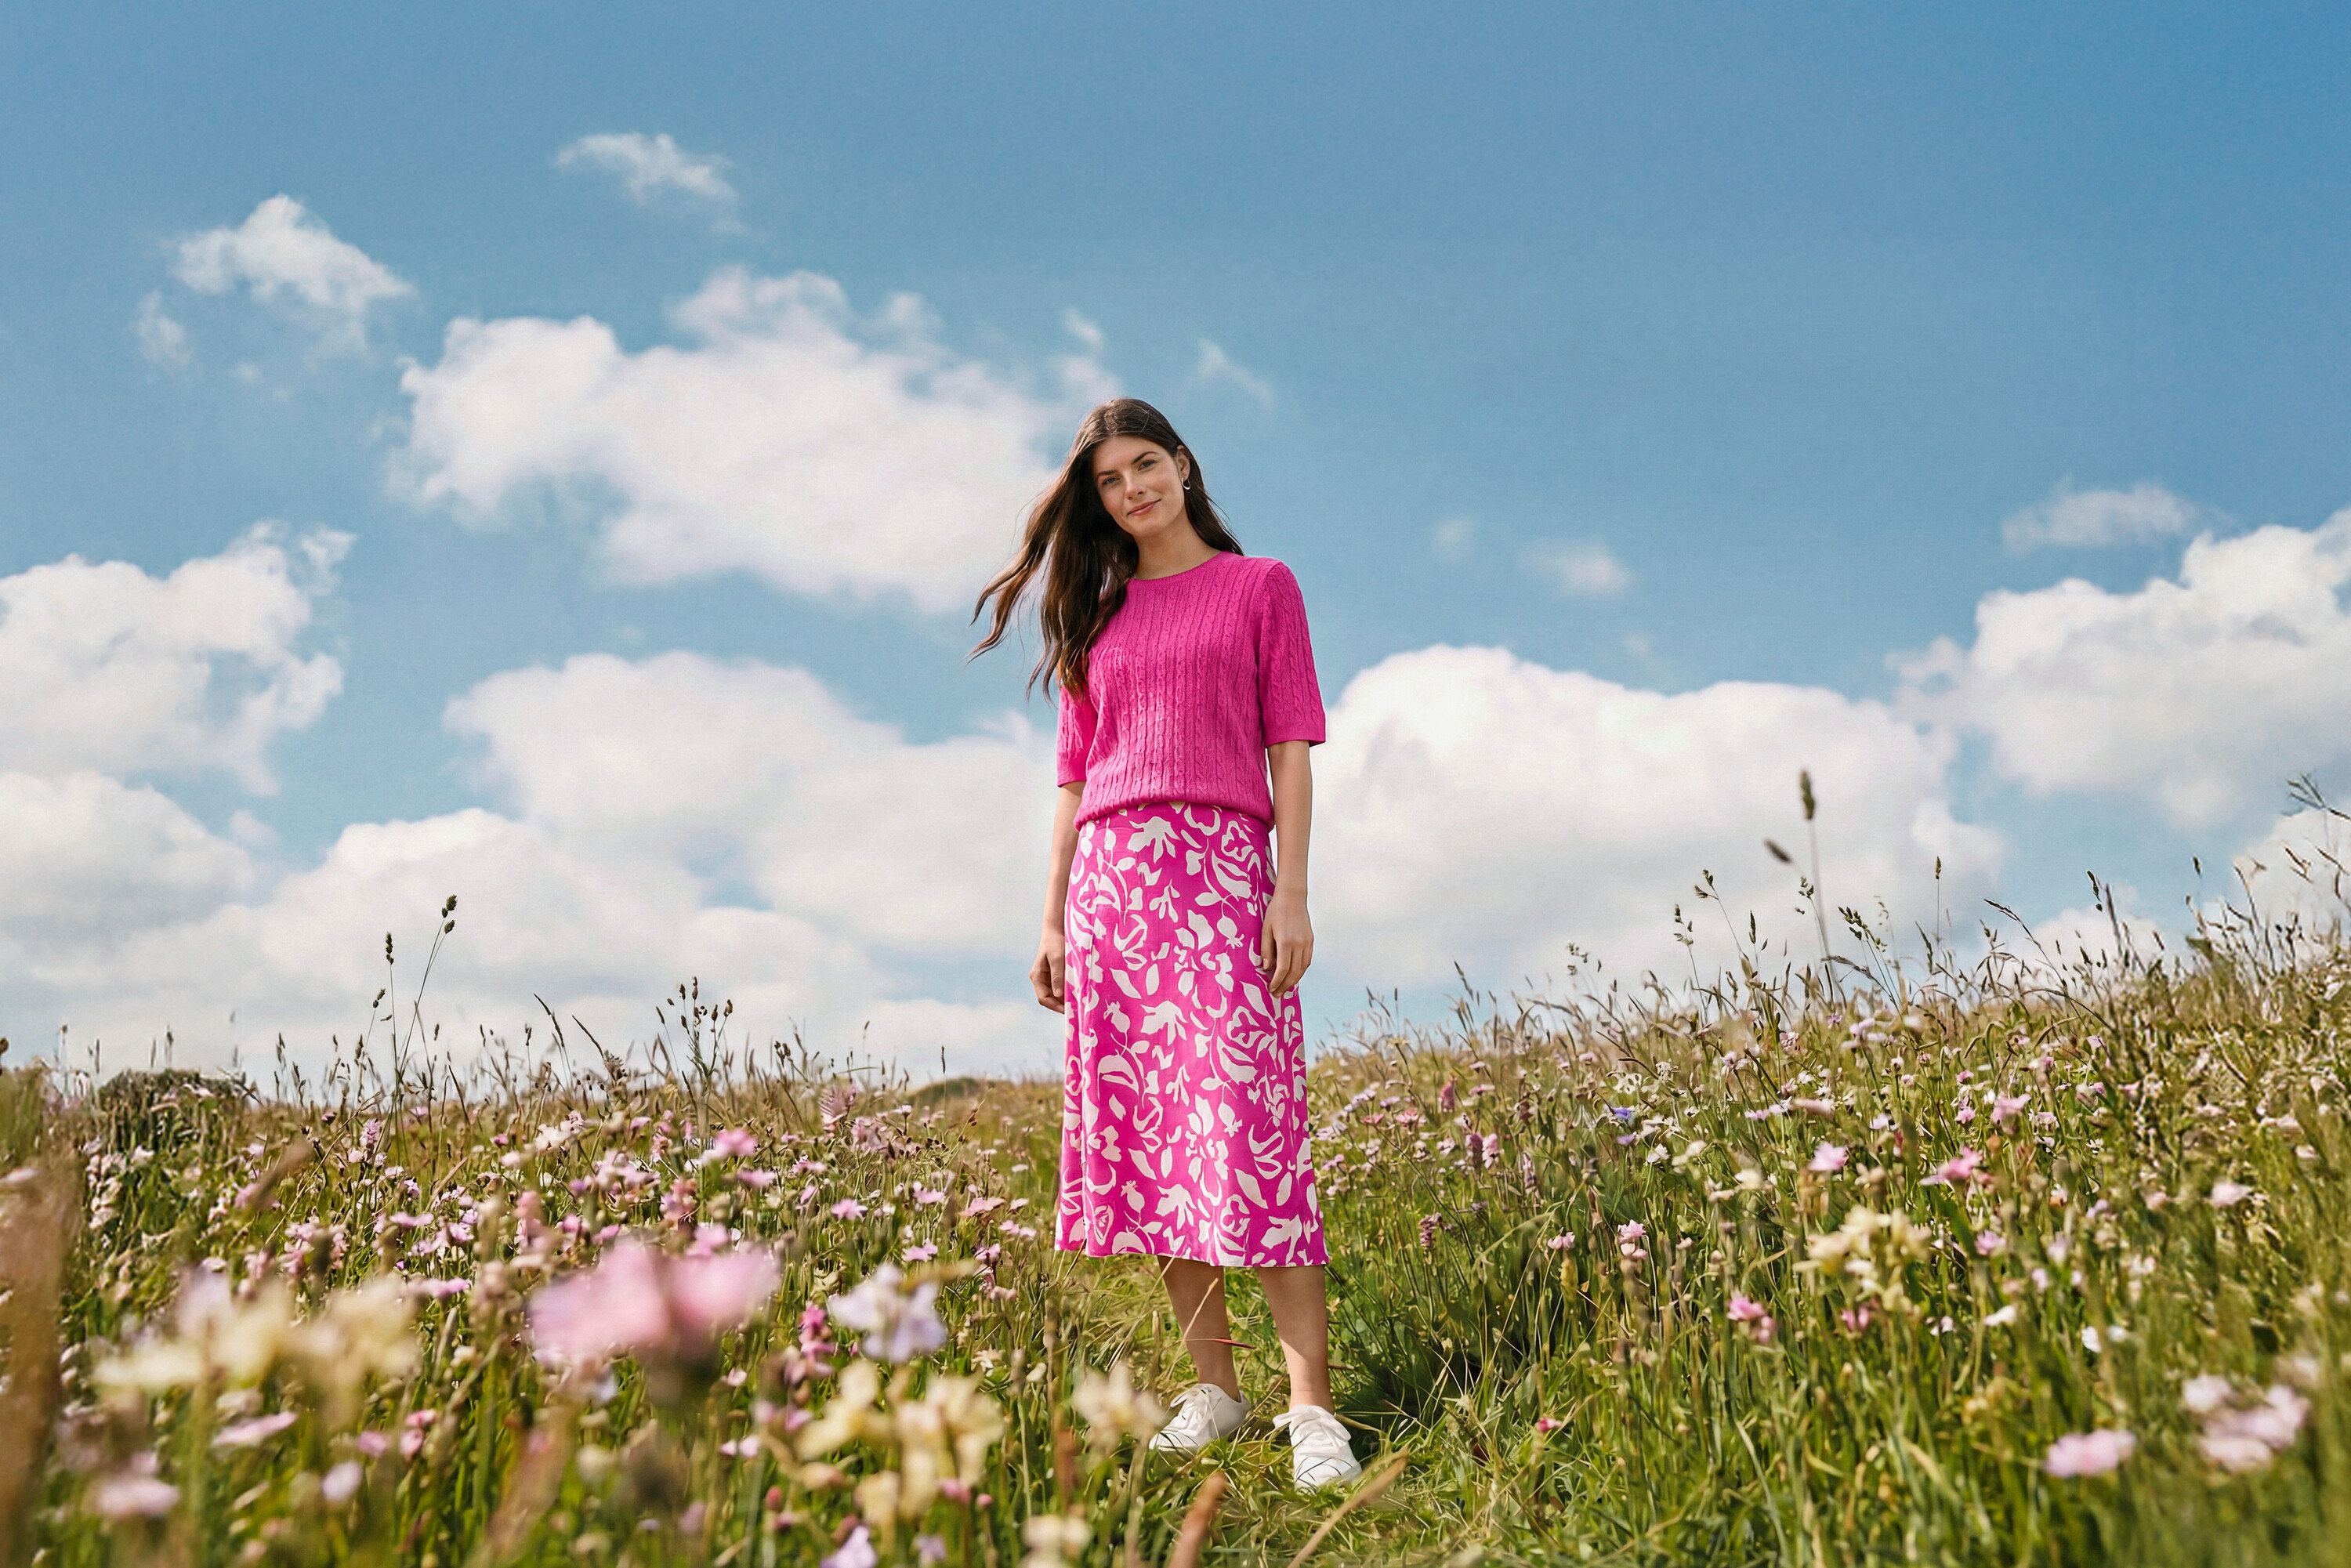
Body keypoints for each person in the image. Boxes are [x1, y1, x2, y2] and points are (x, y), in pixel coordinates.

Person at [971, 397, 1360, 1491]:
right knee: (1153, 1146)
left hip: (1226, 877)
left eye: (1147, 464)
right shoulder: (1097, 614)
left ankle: (1312, 1408)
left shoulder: (1260, 587)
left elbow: (1291, 746)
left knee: (1254, 1136)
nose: (1132, 487)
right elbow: (1073, 780)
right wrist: (1051, 916)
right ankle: (1217, 1389)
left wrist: (1292, 889)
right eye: (1110, 480)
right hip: (1113, 891)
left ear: (1184, 464)